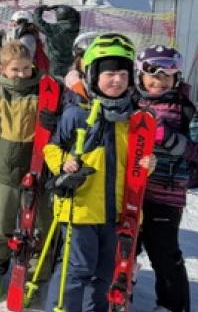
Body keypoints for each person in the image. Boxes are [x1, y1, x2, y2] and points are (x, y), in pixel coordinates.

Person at [43, 33, 156, 312]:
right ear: (93, 75)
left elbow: (134, 167)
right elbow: (51, 148)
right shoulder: (77, 114)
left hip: (117, 213)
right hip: (81, 209)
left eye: (122, 74)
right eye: (109, 74)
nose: (116, 80)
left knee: (106, 273)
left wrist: (147, 167)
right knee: (77, 269)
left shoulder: (136, 119)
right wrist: (64, 163)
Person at [0, 40, 49, 300]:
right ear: (2, 68)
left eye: (27, 68)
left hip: (37, 170)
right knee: (0, 225)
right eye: (15, 69)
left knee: (38, 227)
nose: (22, 74)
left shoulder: (44, 91)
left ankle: (35, 276)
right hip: (2, 169)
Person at [132, 45, 196, 312]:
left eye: (166, 76)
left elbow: (195, 151)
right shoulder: (131, 102)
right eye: (152, 74)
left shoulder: (185, 111)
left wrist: (170, 139)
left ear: (176, 78)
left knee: (163, 253)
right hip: (131, 190)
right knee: (124, 246)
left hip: (165, 194)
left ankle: (172, 305)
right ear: (140, 75)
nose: (158, 81)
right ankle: (119, 292)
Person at [34, 5, 81, 78]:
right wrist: (62, 8)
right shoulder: (75, 27)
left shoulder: (55, 29)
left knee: (55, 82)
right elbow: (78, 16)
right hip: (69, 60)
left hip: (55, 62)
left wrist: (38, 10)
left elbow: (38, 22)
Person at [10, 10, 49, 75]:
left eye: (14, 22)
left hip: (27, 74)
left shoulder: (26, 39)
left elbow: (22, 59)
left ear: (21, 22)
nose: (12, 25)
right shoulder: (28, 36)